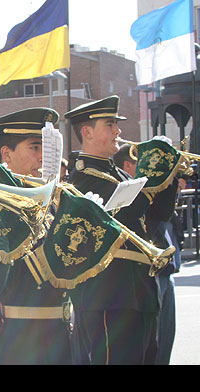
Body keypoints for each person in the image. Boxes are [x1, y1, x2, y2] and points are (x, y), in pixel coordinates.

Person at [64, 96, 178, 365]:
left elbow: (159, 215)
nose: (118, 131)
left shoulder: (120, 175)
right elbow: (121, 216)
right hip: (109, 295)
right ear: (87, 132)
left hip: (139, 290)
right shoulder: (82, 177)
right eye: (110, 124)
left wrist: (168, 176)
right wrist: (151, 176)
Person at [0, 108, 74, 365]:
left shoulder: (51, 199)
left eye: (45, 147)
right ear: (6, 154)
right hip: (23, 338)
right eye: (34, 147)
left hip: (62, 330)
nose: (43, 157)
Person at [113, 143, 184, 365]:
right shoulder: (130, 188)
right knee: (151, 341)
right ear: (129, 165)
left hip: (166, 266)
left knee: (164, 340)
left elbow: (165, 215)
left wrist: (170, 180)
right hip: (147, 271)